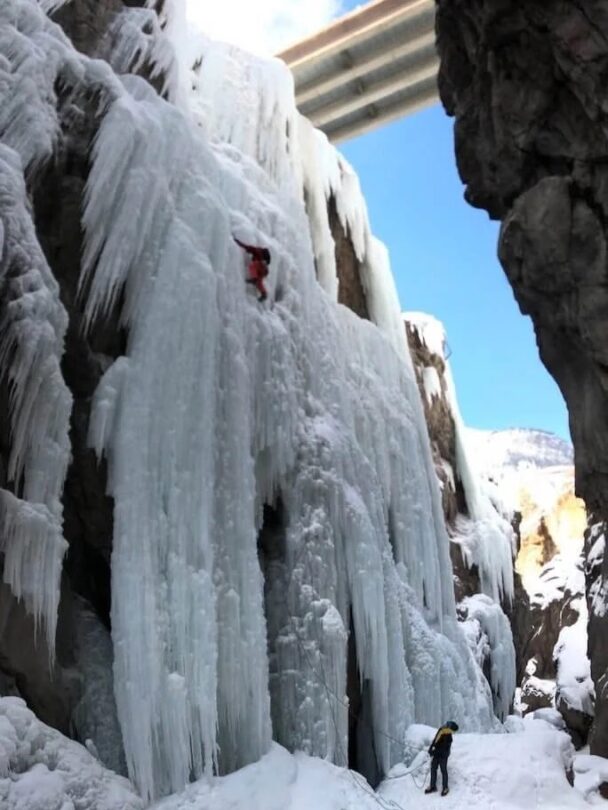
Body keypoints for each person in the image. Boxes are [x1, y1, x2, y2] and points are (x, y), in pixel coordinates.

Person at [425, 720, 458, 797]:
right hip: (437, 754)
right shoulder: (441, 730)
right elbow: (435, 740)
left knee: (443, 770)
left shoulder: (449, 736)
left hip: (443, 755)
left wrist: (434, 751)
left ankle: (445, 787)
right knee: (433, 768)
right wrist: (431, 748)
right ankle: (433, 786)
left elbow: (444, 748)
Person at [233, 236, 270, 302]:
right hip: (264, 271)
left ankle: (254, 279)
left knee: (252, 266)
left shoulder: (255, 250)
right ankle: (264, 293)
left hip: (261, 266)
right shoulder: (264, 254)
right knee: (259, 282)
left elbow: (245, 246)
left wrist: (236, 241)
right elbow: (268, 262)